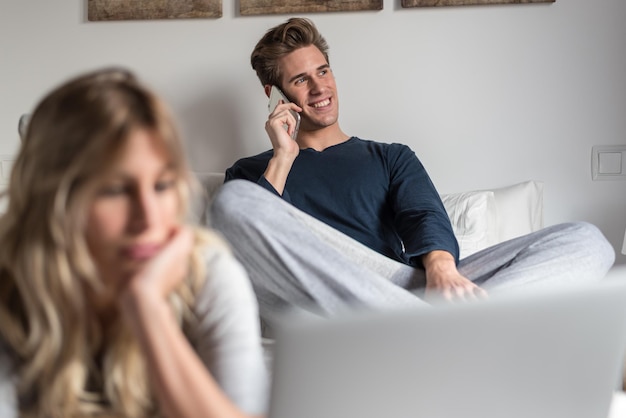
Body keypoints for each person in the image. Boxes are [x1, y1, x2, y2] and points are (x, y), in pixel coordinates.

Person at [212, 17, 615, 322]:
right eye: (301, 80)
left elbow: (423, 214)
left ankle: (445, 327)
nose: (320, 88)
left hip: (395, 285)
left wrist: (441, 270)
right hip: (310, 296)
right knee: (231, 204)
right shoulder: (251, 175)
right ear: (274, 95)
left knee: (587, 241)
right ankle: (440, 330)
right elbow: (243, 256)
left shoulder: (388, 156)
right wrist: (282, 157)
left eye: (323, 71)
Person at [0, 68, 268, 417]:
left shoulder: (209, 275)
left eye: (161, 186)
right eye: (115, 190)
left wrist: (147, 309)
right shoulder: (12, 288)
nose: (148, 218)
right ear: (54, 201)